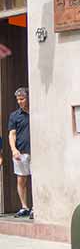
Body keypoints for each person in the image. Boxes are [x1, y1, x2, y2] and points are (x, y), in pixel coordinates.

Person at [7, 86, 31, 218]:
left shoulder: (36, 112)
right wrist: (13, 149)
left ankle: (36, 207)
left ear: (28, 98)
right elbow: (12, 134)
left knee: (35, 178)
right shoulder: (14, 116)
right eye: (18, 99)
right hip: (21, 152)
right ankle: (24, 207)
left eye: (22, 99)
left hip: (35, 151)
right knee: (21, 179)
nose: (20, 101)